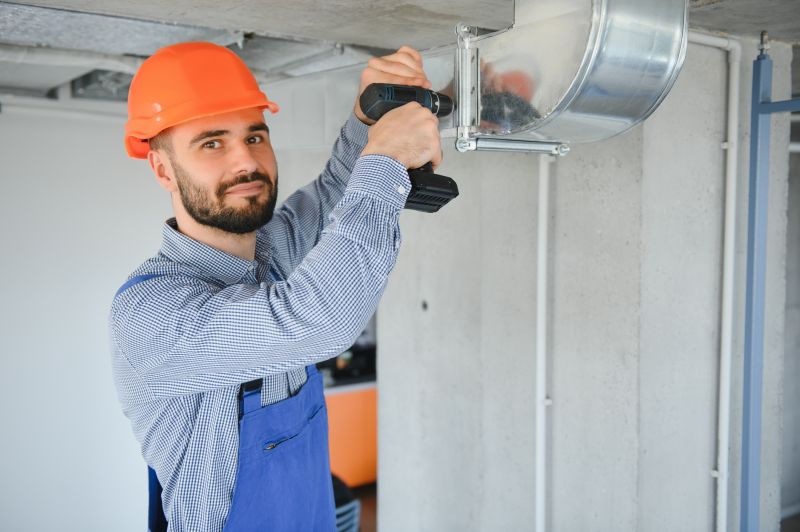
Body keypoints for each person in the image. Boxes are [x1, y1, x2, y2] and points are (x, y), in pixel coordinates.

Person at [109, 41, 441, 531]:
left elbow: (334, 191)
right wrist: (387, 159)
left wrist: (368, 121)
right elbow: (316, 322)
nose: (246, 161)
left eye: (255, 136)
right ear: (163, 169)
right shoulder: (151, 313)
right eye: (212, 143)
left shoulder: (269, 253)